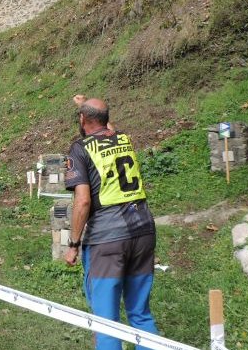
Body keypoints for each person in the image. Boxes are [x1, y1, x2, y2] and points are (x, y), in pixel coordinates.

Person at [64, 98, 158, 350]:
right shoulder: (124, 139)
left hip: (107, 240)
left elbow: (83, 202)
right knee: (140, 314)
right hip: (144, 230)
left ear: (82, 119)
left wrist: (73, 243)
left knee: (105, 322)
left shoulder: (79, 149)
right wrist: (89, 107)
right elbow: (107, 127)